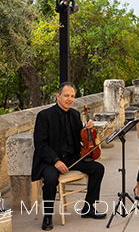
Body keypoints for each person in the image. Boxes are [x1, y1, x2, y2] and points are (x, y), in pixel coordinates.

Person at [31, 82, 106, 231]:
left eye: (72, 96)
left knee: (98, 168)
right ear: (58, 96)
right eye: (66, 96)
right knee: (51, 179)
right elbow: (40, 144)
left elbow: (80, 136)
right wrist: (55, 160)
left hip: (72, 158)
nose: (69, 99)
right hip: (50, 160)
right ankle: (48, 216)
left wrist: (87, 129)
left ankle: (88, 208)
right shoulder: (44, 116)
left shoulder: (74, 114)